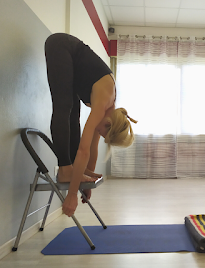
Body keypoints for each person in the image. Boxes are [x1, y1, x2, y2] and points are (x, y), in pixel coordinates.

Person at [44, 33, 137, 217]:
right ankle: (65, 169)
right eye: (104, 134)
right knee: (64, 107)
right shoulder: (103, 101)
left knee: (73, 115)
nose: (99, 135)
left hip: (68, 54)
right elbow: (83, 151)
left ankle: (70, 170)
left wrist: (86, 179)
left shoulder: (107, 110)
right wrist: (71, 195)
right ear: (109, 123)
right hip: (61, 45)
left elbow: (92, 149)